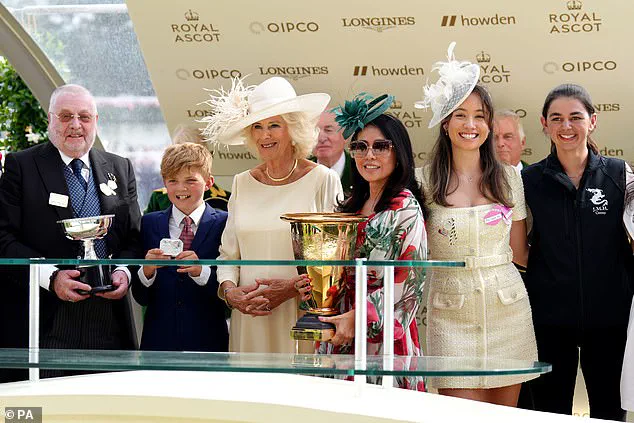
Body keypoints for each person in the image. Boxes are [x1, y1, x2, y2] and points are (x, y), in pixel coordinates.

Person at [415, 42, 537, 406]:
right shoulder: (422, 182)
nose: (471, 125)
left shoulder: (509, 179)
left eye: (480, 116)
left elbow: (520, 253)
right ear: (445, 123)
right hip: (449, 315)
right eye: (460, 115)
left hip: (508, 312)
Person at [0, 84, 141, 379]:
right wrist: (51, 278)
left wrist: (124, 272)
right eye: (65, 116)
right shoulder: (21, 166)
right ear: (50, 119)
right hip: (46, 323)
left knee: (108, 402)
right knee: (46, 403)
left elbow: (134, 237)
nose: (76, 125)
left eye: (84, 117)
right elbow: (4, 238)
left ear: (95, 121)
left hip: (108, 324)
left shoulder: (120, 167)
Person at [200, 76, 343, 353]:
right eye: (258, 127)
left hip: (302, 316)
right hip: (249, 319)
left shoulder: (323, 180)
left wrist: (289, 289)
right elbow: (228, 256)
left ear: (293, 129)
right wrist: (231, 293)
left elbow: (335, 262)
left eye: (274, 125)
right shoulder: (242, 182)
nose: (264, 135)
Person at [522, 83, 633, 421]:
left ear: (592, 121)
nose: (566, 126)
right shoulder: (529, 181)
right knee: (549, 413)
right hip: (549, 322)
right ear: (544, 123)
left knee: (609, 413)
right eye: (556, 118)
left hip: (611, 320)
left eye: (575, 117)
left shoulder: (619, 175)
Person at [318, 94, 427, 391]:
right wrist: (316, 289)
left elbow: (410, 284)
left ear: (398, 152)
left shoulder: (405, 208)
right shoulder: (347, 206)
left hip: (385, 344)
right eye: (360, 146)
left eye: (380, 146)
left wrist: (357, 318)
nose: (369, 155)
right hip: (339, 337)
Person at [132, 142, 229, 352]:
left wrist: (202, 272)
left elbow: (231, 289)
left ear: (209, 182)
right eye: (173, 181)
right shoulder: (148, 223)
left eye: (190, 180)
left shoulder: (225, 223)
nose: (181, 188)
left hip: (209, 341)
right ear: (164, 183)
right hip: (158, 341)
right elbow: (140, 296)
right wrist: (147, 271)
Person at [144, 125, 231, 214]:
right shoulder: (159, 198)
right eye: (178, 154)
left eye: (195, 154)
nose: (185, 160)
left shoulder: (226, 200)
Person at [313, 111, 353, 194]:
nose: (321, 138)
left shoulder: (360, 171)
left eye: (328, 130)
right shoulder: (300, 173)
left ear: (345, 135)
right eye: (315, 131)